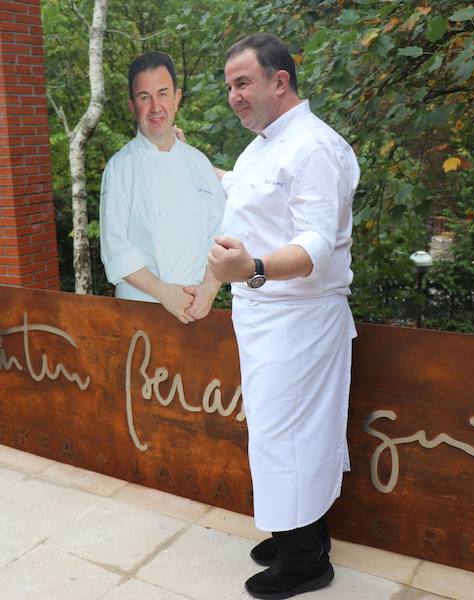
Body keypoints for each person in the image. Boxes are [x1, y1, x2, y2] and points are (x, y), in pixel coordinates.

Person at [207, 34, 359, 599]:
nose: (233, 96)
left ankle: (305, 563)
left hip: (298, 319)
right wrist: (198, 168)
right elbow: (249, 195)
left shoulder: (314, 148)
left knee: (291, 438)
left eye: (242, 82)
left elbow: (317, 243)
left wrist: (254, 267)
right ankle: (297, 532)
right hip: (265, 315)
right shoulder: (264, 145)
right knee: (279, 435)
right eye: (229, 86)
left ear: (280, 80)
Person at [100, 52, 225, 324]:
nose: (156, 106)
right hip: (141, 310)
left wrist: (210, 289)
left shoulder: (199, 164)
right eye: (145, 97)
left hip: (197, 309)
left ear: (177, 98)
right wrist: (164, 293)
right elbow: (115, 247)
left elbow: (220, 235)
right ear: (133, 106)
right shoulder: (120, 167)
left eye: (163, 94)